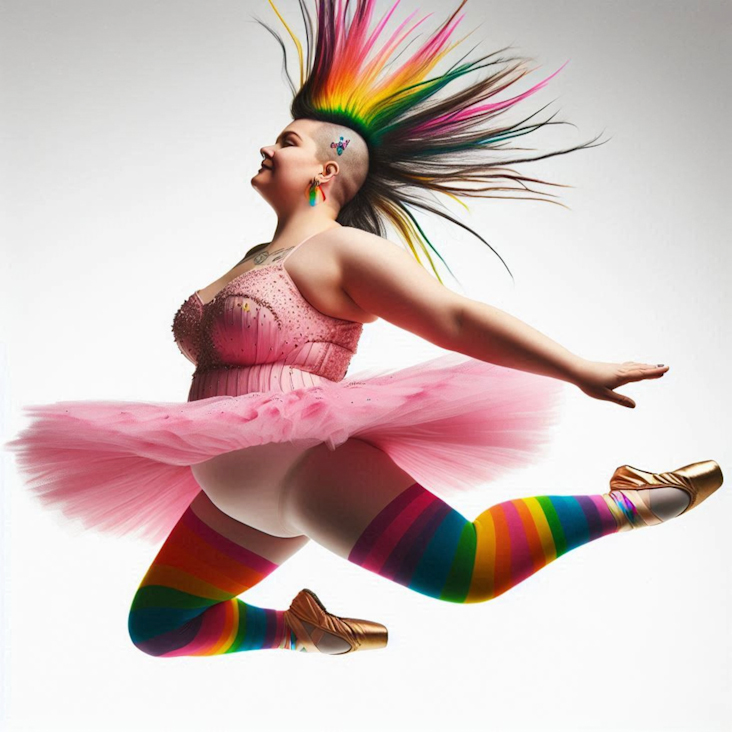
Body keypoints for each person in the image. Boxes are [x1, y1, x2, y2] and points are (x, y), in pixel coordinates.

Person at [4, 0, 723, 657]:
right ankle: (306, 633)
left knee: (468, 570)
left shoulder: (345, 251)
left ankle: (632, 502)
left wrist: (577, 367)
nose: (267, 149)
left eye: (284, 141)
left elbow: (453, 317)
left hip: (304, 465)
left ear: (326, 169)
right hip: (239, 489)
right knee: (161, 627)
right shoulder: (256, 257)